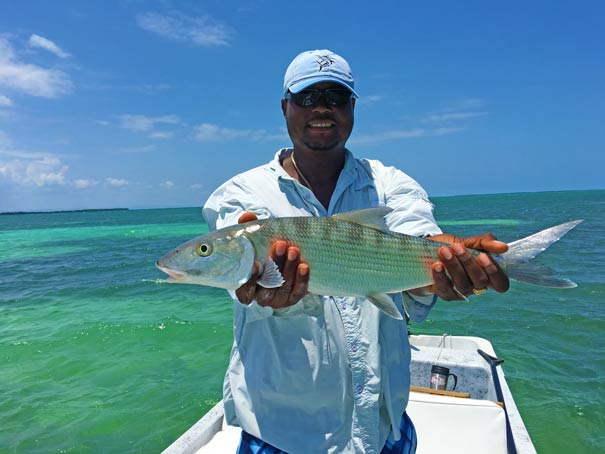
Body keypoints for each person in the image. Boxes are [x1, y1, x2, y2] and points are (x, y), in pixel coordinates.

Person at [202, 49, 510, 454]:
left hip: (383, 428)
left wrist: (443, 274)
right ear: (285, 107)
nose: (322, 108)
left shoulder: (390, 183)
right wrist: (267, 295)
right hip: (281, 433)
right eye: (308, 97)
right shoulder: (242, 195)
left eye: (336, 97)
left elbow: (418, 238)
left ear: (353, 107)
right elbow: (242, 284)